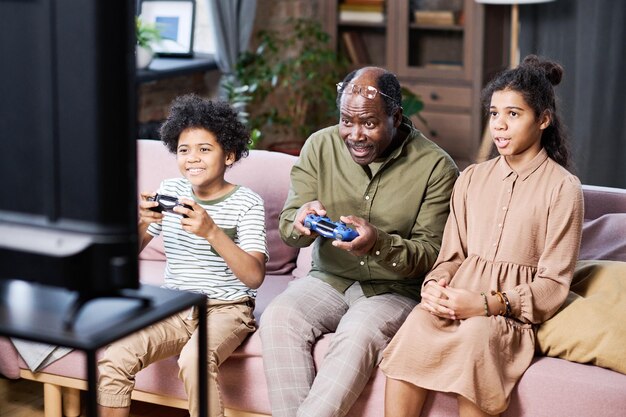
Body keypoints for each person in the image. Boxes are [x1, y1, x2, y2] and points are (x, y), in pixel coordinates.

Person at [380, 55, 584, 417]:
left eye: (513, 114)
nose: (500, 126)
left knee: (477, 338)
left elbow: (553, 284)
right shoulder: (472, 178)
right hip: (454, 304)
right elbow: (452, 257)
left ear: (544, 120)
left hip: (504, 318)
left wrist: (486, 305)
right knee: (414, 326)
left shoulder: (563, 188)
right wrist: (434, 285)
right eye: (494, 114)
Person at [259, 66, 459, 417]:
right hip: (329, 279)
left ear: (396, 117)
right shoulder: (319, 147)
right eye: (346, 121)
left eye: (368, 123)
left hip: (394, 289)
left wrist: (377, 243)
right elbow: (289, 224)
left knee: (357, 333)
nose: (355, 135)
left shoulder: (436, 167)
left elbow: (431, 255)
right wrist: (300, 220)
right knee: (278, 316)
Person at [97, 94, 268, 417]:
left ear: (229, 155)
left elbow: (254, 276)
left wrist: (211, 231)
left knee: (194, 359)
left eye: (205, 149)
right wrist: (144, 223)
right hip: (175, 305)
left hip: (227, 308)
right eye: (184, 150)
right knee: (116, 355)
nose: (192, 158)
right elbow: (127, 257)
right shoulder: (170, 190)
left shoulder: (248, 203)